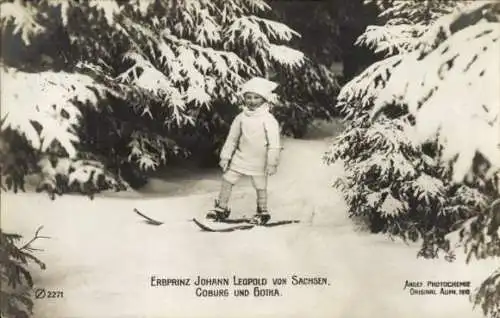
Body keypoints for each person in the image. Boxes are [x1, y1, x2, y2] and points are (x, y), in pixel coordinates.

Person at [206, 77, 282, 225]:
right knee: (228, 179)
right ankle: (221, 208)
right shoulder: (240, 118)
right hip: (241, 157)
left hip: (260, 160)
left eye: (256, 97)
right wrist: (225, 157)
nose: (252, 101)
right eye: (248, 97)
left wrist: (272, 163)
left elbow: (274, 144)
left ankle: (262, 211)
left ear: (264, 99)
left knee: (260, 185)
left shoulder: (268, 119)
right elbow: (232, 139)